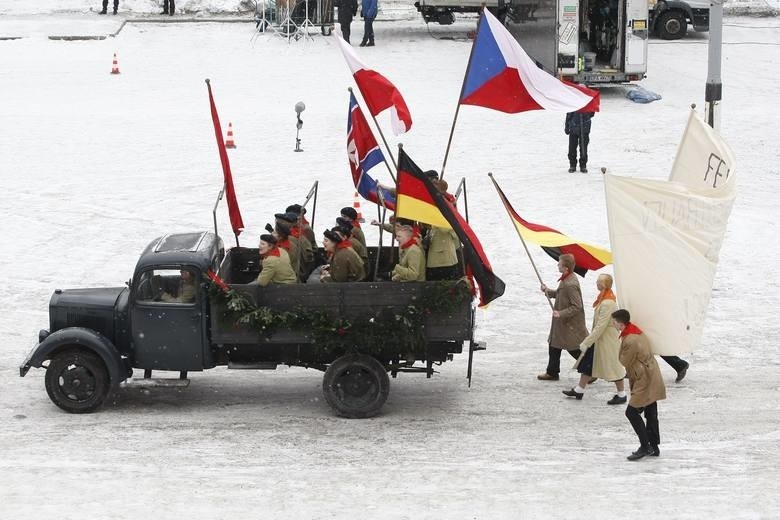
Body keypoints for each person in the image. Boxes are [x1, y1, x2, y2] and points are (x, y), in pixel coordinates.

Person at [612, 308, 667, 461]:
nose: (613, 325)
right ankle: (654, 446)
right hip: (650, 374)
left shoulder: (630, 340)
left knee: (631, 412)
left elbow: (624, 361)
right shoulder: (636, 332)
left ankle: (645, 446)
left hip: (644, 378)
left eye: (614, 323)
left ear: (621, 324)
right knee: (650, 411)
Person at [563, 274, 627, 403]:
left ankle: (621, 394)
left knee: (614, 367)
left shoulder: (608, 303)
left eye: (598, 282)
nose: (596, 283)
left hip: (606, 342)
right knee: (588, 364)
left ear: (603, 284)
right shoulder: (604, 299)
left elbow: (601, 325)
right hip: (599, 340)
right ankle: (579, 390)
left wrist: (587, 341)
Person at [538, 253, 588, 381]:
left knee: (573, 349)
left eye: (559, 264)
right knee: (554, 345)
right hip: (562, 323)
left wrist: (561, 313)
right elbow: (561, 295)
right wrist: (548, 291)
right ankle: (552, 372)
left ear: (566, 268)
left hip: (569, 323)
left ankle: (590, 371)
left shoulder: (570, 284)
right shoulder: (566, 278)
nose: (557, 265)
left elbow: (577, 306)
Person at [425, 179, 460, 281]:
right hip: (435, 259)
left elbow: (446, 228)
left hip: (445, 259)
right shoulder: (436, 206)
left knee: (448, 285)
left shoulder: (446, 205)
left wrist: (433, 215)